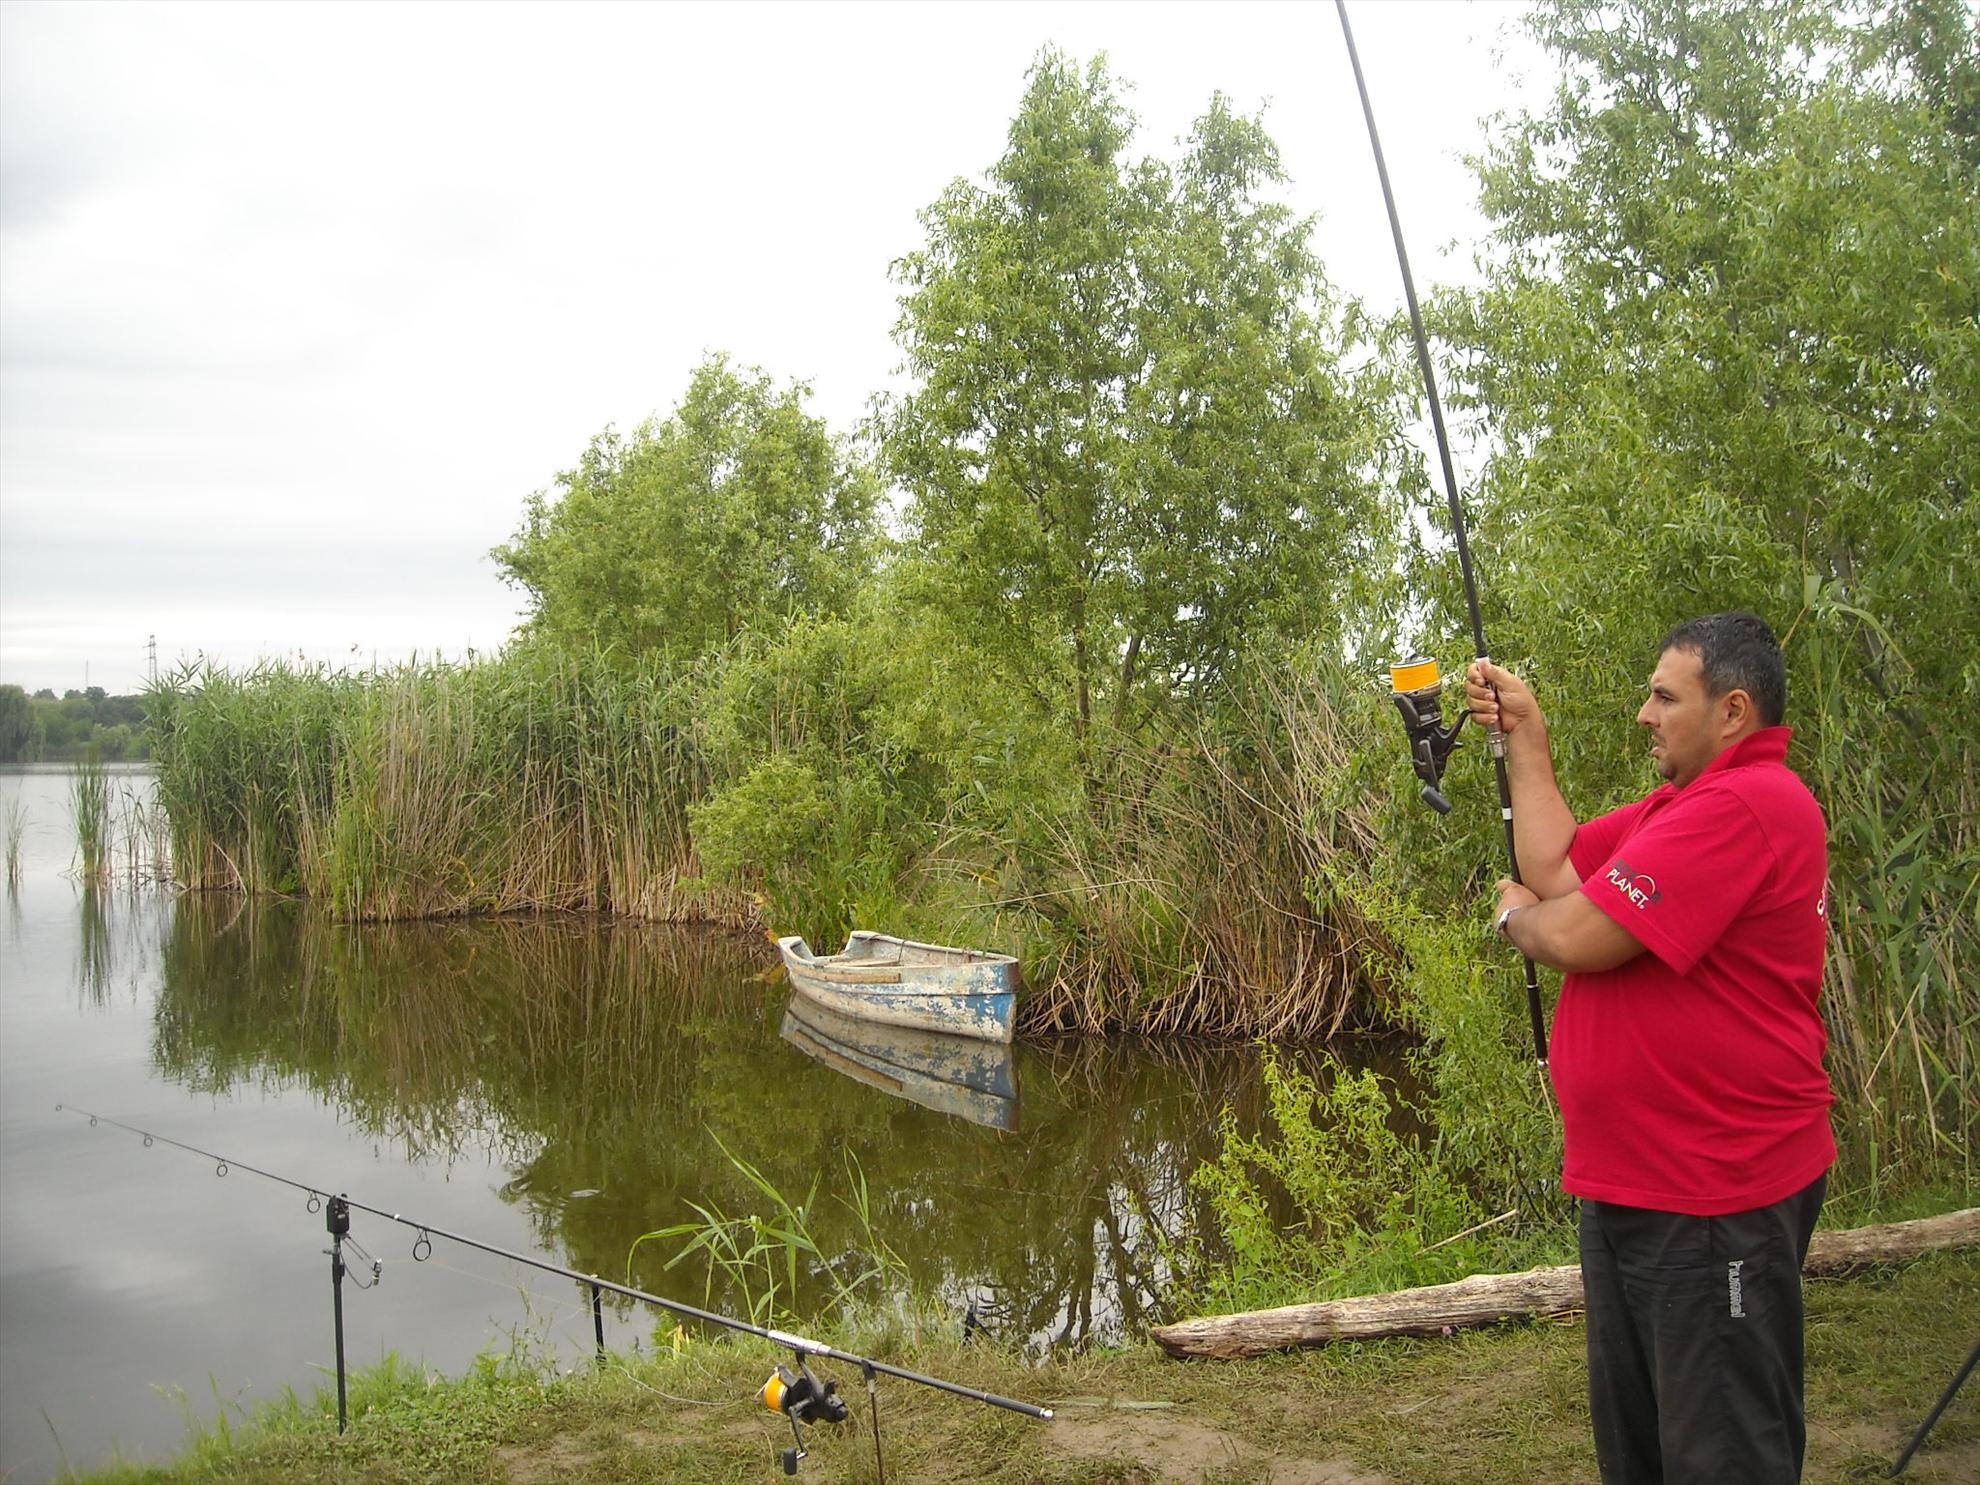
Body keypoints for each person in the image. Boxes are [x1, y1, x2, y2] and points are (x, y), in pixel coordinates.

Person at [1465, 612, 1834, 1485]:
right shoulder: (1681, 807)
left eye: (1665, 696)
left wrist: (1517, 918)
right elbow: (1559, 864)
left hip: (1713, 1190)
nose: (1645, 713)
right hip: (1639, 1182)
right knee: (1643, 1449)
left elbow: (1580, 928)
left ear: (1733, 710)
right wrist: (1527, 733)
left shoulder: (1747, 804)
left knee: (1723, 1453)